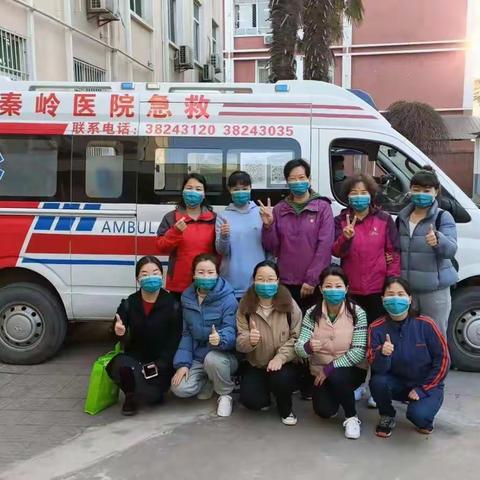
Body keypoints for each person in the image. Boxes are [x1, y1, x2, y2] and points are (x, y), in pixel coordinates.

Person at [368, 276, 450, 438]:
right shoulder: (376, 328)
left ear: (409, 298)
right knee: (377, 382)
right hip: (397, 383)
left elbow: (443, 360)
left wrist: (423, 388)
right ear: (383, 299)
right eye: (390, 295)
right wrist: (383, 354)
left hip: (426, 384)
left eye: (400, 294)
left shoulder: (426, 324)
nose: (395, 299)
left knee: (419, 417)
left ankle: (425, 414)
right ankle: (387, 415)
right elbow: (377, 368)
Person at [295, 265, 368, 439]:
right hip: (319, 371)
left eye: (338, 286)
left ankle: (351, 417)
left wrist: (330, 368)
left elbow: (358, 352)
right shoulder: (312, 313)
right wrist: (308, 347)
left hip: (351, 369)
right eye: (328, 286)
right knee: (325, 411)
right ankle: (344, 393)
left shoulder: (358, 313)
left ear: (346, 288)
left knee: (337, 375)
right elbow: (299, 347)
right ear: (320, 289)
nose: (333, 290)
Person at [107, 256, 181, 416]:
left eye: (155, 273)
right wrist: (119, 332)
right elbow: (115, 332)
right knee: (120, 365)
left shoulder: (172, 304)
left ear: (162, 275)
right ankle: (130, 397)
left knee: (152, 397)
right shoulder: (129, 303)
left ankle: (151, 390)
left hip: (161, 363)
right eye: (145, 274)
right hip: (135, 359)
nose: (150, 277)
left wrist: (161, 363)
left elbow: (175, 339)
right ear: (137, 278)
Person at [260, 158, 334, 313]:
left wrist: (312, 279)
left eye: (301, 178)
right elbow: (272, 247)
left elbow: (325, 246)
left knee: (311, 327)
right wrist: (268, 226)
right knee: (288, 326)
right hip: (286, 281)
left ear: (309, 179)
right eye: (292, 179)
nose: (297, 182)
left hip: (312, 283)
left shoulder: (322, 207)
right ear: (287, 182)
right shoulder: (280, 209)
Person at [170, 253, 238, 417]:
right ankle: (208, 380)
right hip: (197, 357)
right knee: (179, 388)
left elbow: (232, 330)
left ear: (217, 274)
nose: (205, 276)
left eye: (210, 272)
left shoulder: (228, 299)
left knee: (212, 360)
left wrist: (221, 338)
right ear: (193, 274)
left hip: (222, 356)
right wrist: (183, 364)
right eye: (200, 272)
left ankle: (225, 394)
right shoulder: (187, 298)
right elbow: (186, 333)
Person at [236, 260, 302, 426]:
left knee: (282, 380)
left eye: (270, 279)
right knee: (251, 401)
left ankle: (285, 407)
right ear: (254, 280)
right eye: (261, 279)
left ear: (278, 281)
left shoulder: (289, 304)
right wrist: (249, 341)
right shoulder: (245, 305)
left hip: (284, 364)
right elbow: (239, 340)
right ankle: (266, 395)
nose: (266, 284)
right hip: (257, 364)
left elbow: (297, 337)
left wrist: (280, 357)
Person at [396, 166, 458, 336]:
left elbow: (451, 249)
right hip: (407, 292)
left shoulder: (442, 216)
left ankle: (441, 364)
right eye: (416, 190)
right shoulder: (402, 218)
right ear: (410, 190)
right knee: (410, 336)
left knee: (435, 336)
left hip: (434, 292)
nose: (421, 194)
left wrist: (438, 240)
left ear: (436, 191)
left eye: (426, 190)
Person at [332, 173, 400, 324]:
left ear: (371, 195)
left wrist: (391, 281)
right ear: (347, 196)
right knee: (354, 329)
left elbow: (393, 252)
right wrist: (345, 238)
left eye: (363, 193)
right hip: (350, 288)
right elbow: (336, 252)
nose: (359, 197)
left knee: (376, 328)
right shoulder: (340, 220)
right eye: (354, 193)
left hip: (378, 288)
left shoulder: (384, 219)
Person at [157, 173, 216, 300]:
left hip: (207, 283)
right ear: (183, 191)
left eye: (198, 189)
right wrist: (175, 232)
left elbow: (220, 251)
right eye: (189, 188)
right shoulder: (171, 217)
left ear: (204, 194)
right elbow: (161, 247)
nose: (193, 192)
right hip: (179, 285)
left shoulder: (214, 219)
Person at [215, 171, 267, 300]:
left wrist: (269, 226)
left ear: (250, 188)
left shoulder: (262, 213)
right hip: (231, 283)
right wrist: (224, 236)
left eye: (244, 189)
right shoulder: (223, 216)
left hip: (259, 282)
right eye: (236, 189)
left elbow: (271, 247)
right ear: (229, 190)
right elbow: (221, 251)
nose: (240, 192)